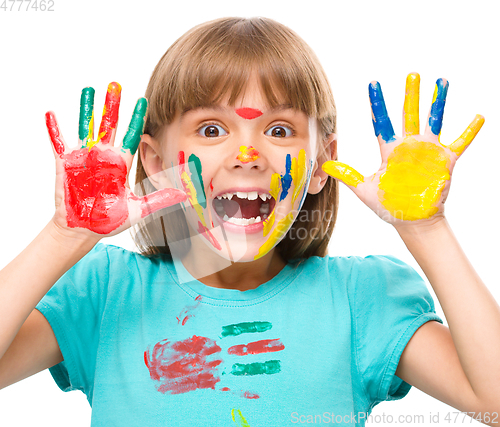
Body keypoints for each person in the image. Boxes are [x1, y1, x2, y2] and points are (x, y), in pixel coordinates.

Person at [0, 16, 499, 427]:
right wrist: (65, 235)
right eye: (212, 128)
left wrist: (425, 228)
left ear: (323, 164)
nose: (247, 153)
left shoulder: (362, 298)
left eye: (279, 129)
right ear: (153, 161)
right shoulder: (105, 293)